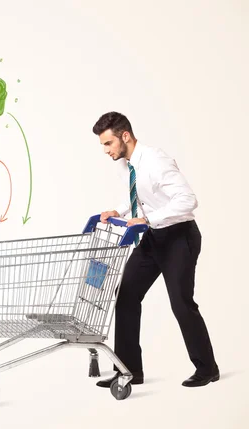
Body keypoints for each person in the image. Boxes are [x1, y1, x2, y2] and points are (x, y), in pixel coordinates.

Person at [91, 111, 219, 388]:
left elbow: (188, 199)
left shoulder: (156, 160)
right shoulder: (126, 164)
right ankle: (129, 372)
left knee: (181, 304)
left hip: (178, 238)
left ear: (125, 136)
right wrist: (120, 210)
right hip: (151, 238)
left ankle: (207, 368)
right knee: (125, 296)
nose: (105, 150)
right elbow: (138, 195)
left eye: (108, 143)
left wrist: (150, 219)